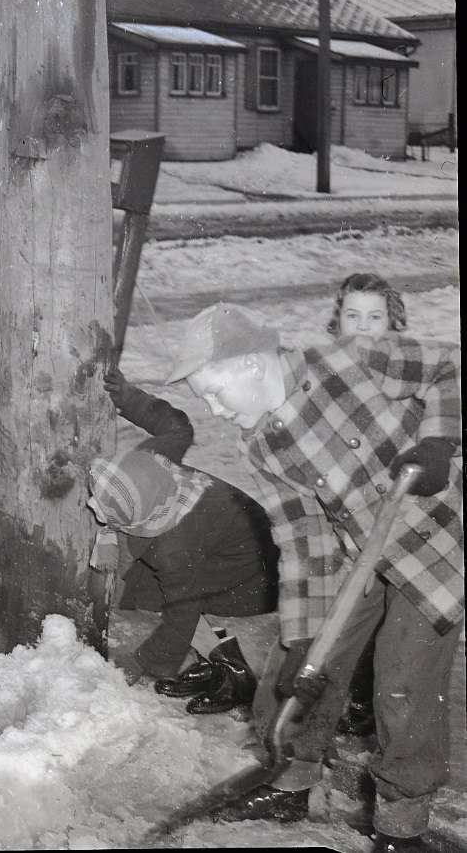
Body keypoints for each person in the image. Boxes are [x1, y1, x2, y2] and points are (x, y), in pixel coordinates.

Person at [168, 302, 462, 853]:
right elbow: (301, 537)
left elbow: (451, 365)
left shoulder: (352, 360)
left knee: (403, 683)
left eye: (215, 391)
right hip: (361, 552)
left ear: (253, 363)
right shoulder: (257, 443)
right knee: (301, 665)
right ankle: (291, 780)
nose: (212, 409)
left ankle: (402, 825)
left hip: (435, 542)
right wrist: (305, 634)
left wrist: (440, 440)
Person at [88, 368, 278, 714]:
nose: (90, 506)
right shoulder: (153, 464)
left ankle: (235, 673)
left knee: (174, 600)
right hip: (238, 535)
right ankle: (214, 658)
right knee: (147, 590)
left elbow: (182, 610)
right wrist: (128, 398)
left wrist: (143, 661)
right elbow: (178, 425)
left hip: (254, 574)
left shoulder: (174, 549)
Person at [325, 272, 407, 739]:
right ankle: (350, 701)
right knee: (346, 619)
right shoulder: (327, 375)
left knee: (392, 627)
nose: (363, 326)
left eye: (375, 317)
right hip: (349, 520)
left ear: (392, 324)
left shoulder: (407, 375)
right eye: (352, 316)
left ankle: (369, 704)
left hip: (401, 518)